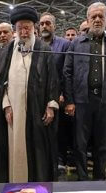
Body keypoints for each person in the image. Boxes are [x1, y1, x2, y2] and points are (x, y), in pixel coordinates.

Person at [0, 6, 59, 183]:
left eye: (27, 27)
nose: (23, 31)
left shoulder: (44, 49)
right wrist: (6, 106)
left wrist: (51, 106)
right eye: (20, 27)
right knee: (15, 148)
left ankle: (36, 183)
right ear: (15, 29)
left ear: (33, 28)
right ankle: (16, 182)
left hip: (36, 112)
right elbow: (2, 83)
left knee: (37, 150)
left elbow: (53, 80)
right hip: (13, 112)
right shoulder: (8, 50)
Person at [63, 2, 106, 181]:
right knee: (80, 144)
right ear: (88, 20)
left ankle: (99, 178)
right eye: (94, 17)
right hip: (82, 101)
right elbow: (67, 72)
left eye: (101, 16)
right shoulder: (76, 43)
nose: (97, 20)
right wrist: (69, 101)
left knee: (102, 144)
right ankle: (83, 178)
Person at [40, 12, 71, 173]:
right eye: (42, 23)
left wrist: (63, 94)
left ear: (54, 26)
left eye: (48, 23)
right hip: (39, 95)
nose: (44, 26)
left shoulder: (64, 44)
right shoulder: (35, 45)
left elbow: (66, 72)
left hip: (58, 95)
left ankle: (60, 160)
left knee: (60, 131)